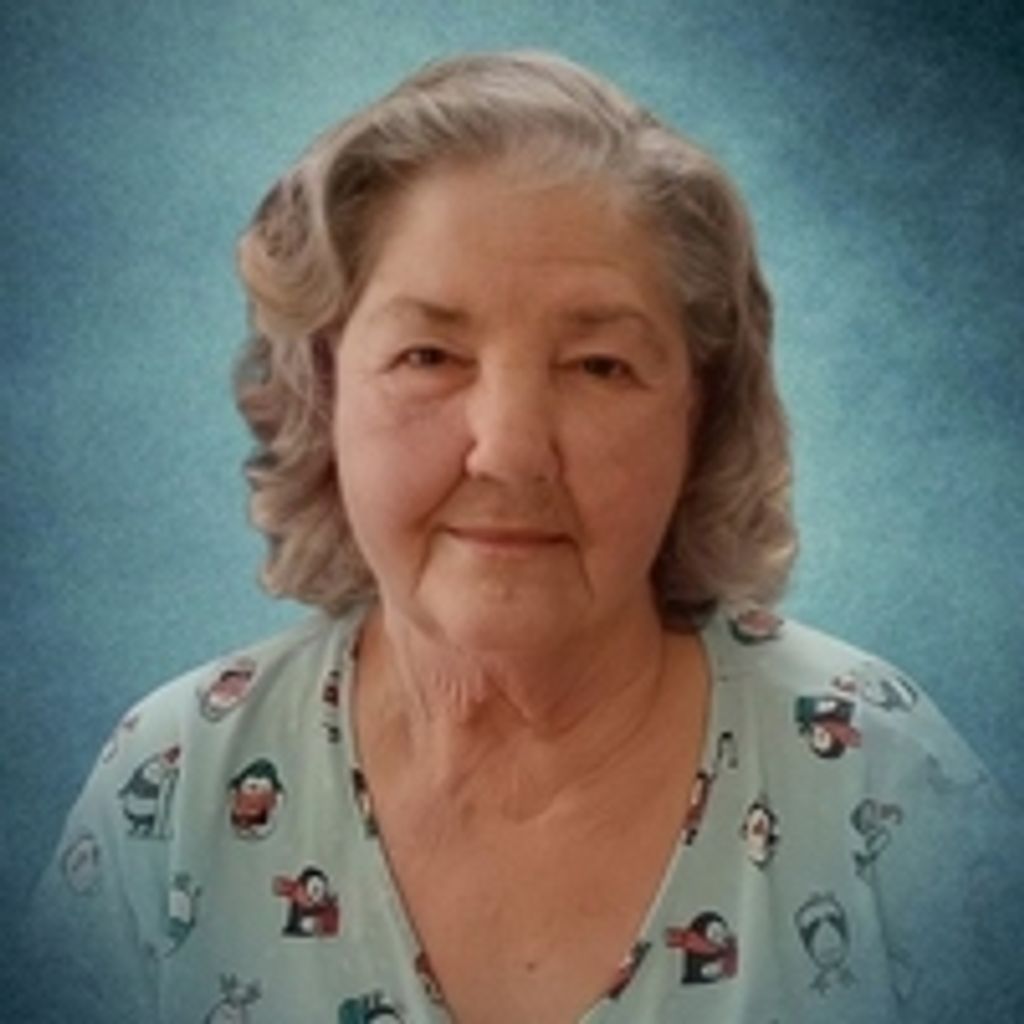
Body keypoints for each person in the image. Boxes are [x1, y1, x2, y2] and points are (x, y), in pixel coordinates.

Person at [29, 51, 1021, 1024]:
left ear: (699, 413)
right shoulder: (175, 784)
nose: (509, 452)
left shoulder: (880, 778)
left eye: (599, 366)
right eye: (428, 355)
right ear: (321, 393)